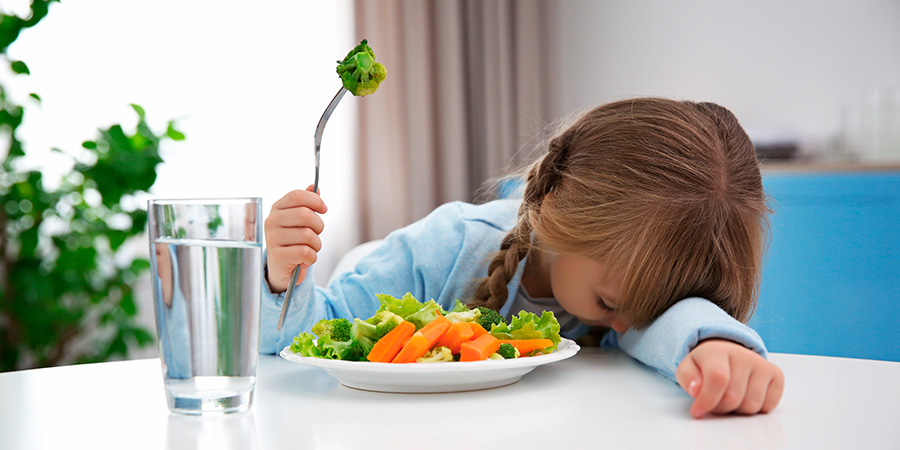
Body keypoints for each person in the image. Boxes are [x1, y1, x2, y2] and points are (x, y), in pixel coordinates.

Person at [260, 98, 784, 419]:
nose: (625, 324)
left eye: (647, 312)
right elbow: (306, 339)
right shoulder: (452, 246)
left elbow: (657, 328)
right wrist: (278, 279)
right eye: (609, 302)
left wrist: (711, 341)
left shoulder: (627, 301)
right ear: (559, 214)